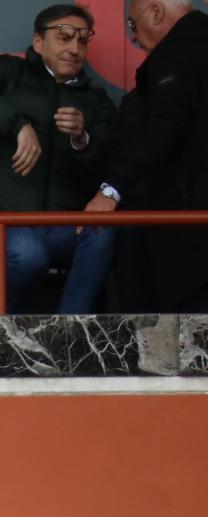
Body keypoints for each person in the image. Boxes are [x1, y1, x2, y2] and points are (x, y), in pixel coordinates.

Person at [0, 5, 117, 314]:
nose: (74, 49)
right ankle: (12, 331)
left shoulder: (96, 101)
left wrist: (82, 139)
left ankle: (70, 329)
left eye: (82, 40)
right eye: (64, 37)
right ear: (38, 41)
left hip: (60, 225)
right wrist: (17, 125)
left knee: (103, 233)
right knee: (28, 253)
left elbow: (105, 170)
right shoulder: (9, 73)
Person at [88, 0, 208, 313]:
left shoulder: (176, 53)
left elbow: (162, 129)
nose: (134, 37)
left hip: (192, 226)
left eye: (132, 24)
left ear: (156, 12)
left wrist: (111, 189)